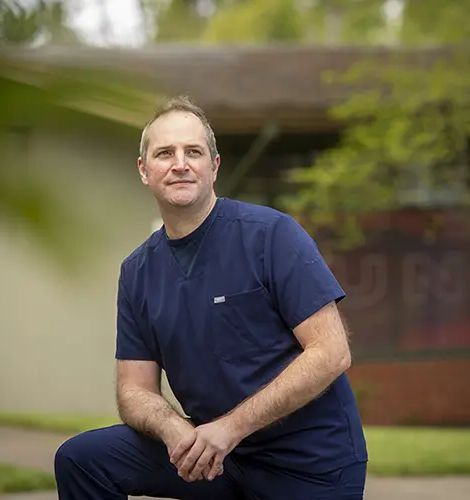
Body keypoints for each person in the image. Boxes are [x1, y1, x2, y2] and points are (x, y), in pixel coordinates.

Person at [54, 95, 368, 499]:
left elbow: (331, 352)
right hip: (212, 459)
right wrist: (174, 429)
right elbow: (134, 390)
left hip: (310, 466)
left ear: (214, 166)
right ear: (144, 170)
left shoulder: (271, 235)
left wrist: (229, 428)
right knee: (81, 459)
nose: (180, 164)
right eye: (165, 153)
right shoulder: (137, 272)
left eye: (194, 152)